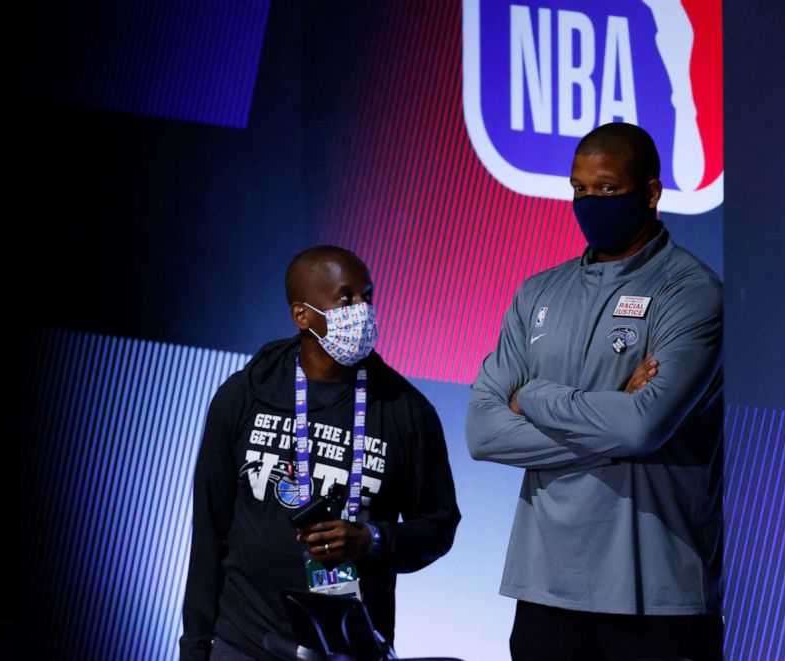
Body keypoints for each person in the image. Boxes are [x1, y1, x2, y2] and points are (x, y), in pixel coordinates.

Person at [466, 123, 723, 661]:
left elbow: (642, 426)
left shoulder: (692, 293)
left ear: (650, 194)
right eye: (579, 189)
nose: (589, 202)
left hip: (656, 598)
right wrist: (615, 421)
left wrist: (533, 396)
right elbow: (483, 433)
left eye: (606, 189)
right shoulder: (538, 291)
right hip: (544, 590)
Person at [181, 245, 460, 660]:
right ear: (302, 314)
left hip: (347, 648)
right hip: (243, 641)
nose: (362, 311)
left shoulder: (406, 411)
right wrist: (196, 646)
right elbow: (208, 530)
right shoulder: (243, 396)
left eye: (368, 296)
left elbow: (439, 527)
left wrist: (374, 539)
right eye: (346, 298)